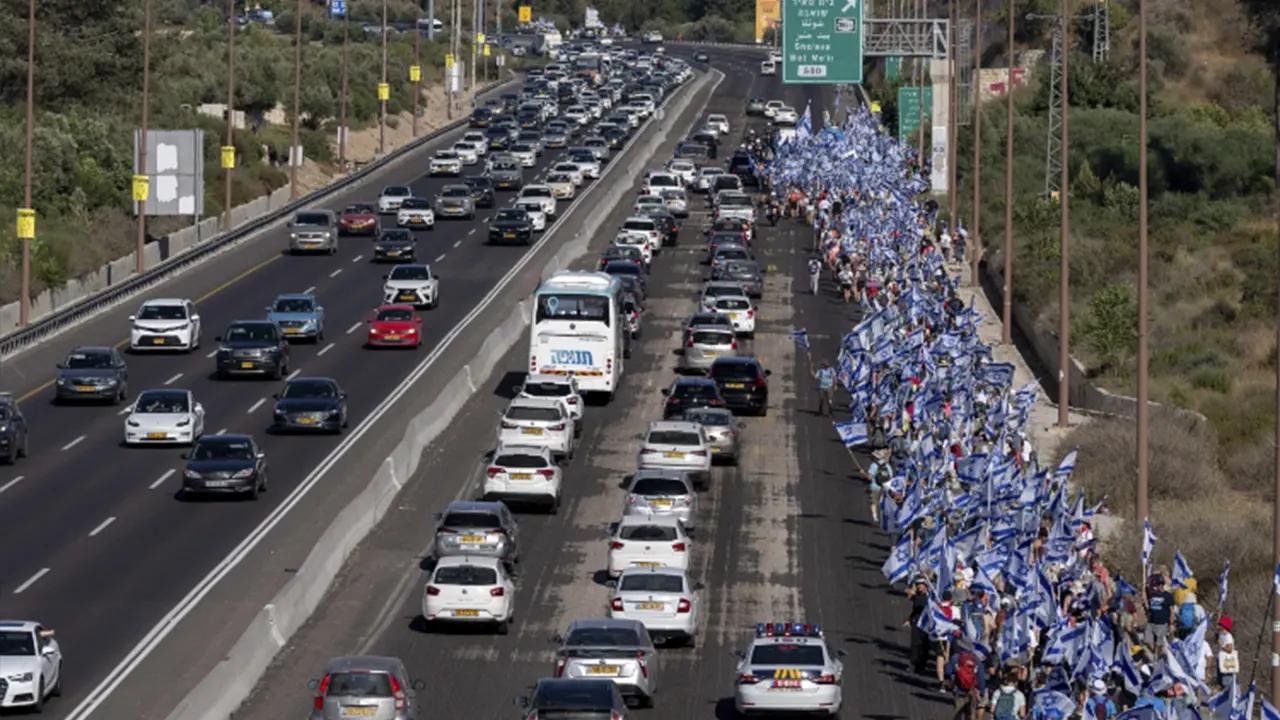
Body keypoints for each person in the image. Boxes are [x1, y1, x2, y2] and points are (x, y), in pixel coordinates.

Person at [1144, 575, 1174, 652]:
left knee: (1159, 644)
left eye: (1161, 584)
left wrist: (1171, 623)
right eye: (1157, 584)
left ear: (1163, 585)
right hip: (1151, 623)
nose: (1159, 586)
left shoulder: (1168, 596)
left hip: (1163, 623)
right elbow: (1148, 604)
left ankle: (1158, 655)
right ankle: (1155, 652)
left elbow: (1172, 611)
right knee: (1147, 641)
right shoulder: (1152, 595)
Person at [1217, 616, 1239, 702]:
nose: (1219, 626)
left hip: (1227, 662)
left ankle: (1228, 700)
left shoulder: (1228, 636)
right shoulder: (1221, 635)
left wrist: (1222, 645)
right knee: (1221, 682)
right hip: (1221, 661)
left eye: (1221, 625)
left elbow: (1229, 649)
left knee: (1227, 682)